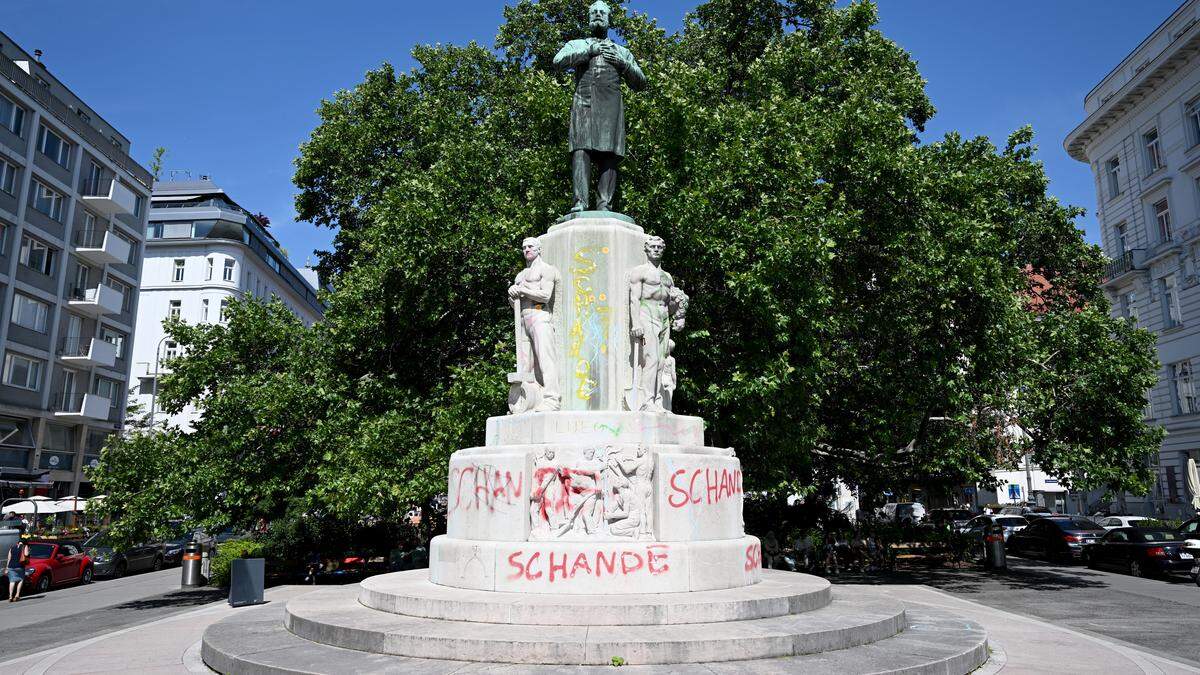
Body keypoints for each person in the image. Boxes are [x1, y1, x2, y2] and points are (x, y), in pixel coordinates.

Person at [553, 0, 647, 212]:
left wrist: (623, 64)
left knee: (609, 154)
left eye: (601, 12)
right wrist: (590, 50)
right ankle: (580, 203)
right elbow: (558, 61)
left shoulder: (621, 51)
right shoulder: (578, 44)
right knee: (580, 151)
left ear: (608, 18)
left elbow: (641, 82)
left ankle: (605, 205)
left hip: (611, 109)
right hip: (583, 105)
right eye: (593, 12)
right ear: (588, 18)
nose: (597, 14)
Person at [509, 238, 562, 411]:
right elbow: (515, 302)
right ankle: (531, 399)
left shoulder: (547, 270)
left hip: (540, 315)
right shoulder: (521, 275)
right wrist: (512, 295)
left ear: (539, 249)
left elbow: (545, 295)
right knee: (526, 363)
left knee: (546, 360)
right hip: (523, 318)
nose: (527, 250)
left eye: (530, 246)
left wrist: (522, 290)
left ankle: (552, 398)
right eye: (524, 247)